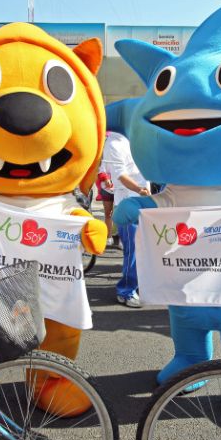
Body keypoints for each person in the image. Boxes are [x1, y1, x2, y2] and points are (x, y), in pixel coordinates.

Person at [102, 131, 150, 308]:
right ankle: (126, 291)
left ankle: (137, 287)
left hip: (143, 200)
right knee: (132, 250)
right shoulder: (114, 144)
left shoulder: (136, 139)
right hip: (128, 204)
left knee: (143, 249)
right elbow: (120, 175)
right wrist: (139, 190)